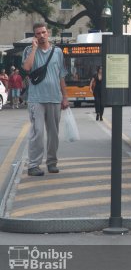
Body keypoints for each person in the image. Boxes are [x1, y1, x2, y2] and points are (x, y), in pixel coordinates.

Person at [22, 22, 69, 177]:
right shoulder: (29, 50)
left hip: (55, 98)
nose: (41, 36)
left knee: (53, 133)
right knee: (38, 132)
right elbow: (27, 68)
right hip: (36, 98)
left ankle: (52, 163)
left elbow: (61, 76)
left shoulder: (58, 52)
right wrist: (34, 48)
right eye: (38, 34)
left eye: (43, 32)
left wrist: (65, 97)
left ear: (48, 33)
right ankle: (33, 165)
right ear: (34, 36)